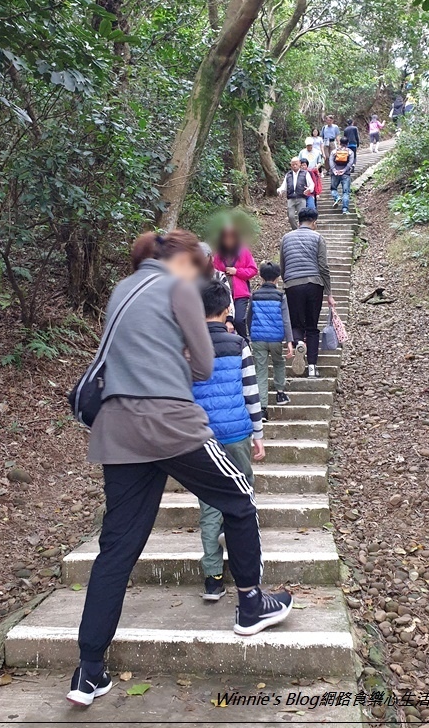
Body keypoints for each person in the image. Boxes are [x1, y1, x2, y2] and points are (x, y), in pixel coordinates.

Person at [68, 229, 293, 706]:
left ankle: (89, 670)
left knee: (117, 548)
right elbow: (205, 366)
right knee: (239, 499)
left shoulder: (123, 289)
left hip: (118, 430)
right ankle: (251, 603)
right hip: (170, 424)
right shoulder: (182, 288)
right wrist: (176, 364)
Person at [192, 280, 264, 601]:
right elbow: (251, 392)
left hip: (203, 440)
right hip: (236, 435)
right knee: (242, 501)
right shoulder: (239, 344)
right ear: (226, 310)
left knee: (209, 507)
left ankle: (213, 579)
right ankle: (245, 569)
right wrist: (258, 433)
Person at [280, 207, 335, 379]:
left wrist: (287, 281)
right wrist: (329, 292)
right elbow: (323, 267)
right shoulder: (318, 237)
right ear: (314, 221)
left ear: (299, 221)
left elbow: (283, 265)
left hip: (292, 285)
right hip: (313, 285)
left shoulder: (286, 238)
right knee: (312, 326)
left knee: (296, 324)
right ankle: (312, 368)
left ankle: (299, 343)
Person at [249, 261, 294, 422]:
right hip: (276, 338)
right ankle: (280, 393)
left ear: (260, 277)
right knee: (279, 363)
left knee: (260, 370)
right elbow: (286, 320)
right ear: (278, 278)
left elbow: (249, 317)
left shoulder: (254, 295)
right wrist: (289, 341)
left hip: (258, 339)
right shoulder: (280, 296)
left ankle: (262, 409)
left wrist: (250, 335)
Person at [213, 226, 258, 339]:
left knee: (238, 320)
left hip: (240, 293)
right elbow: (213, 270)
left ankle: (245, 342)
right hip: (223, 292)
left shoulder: (244, 252)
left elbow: (253, 270)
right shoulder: (218, 254)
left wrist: (237, 271)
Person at [200, 241, 235, 332]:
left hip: (218, 317)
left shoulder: (218, 276)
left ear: (210, 258)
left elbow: (228, 297)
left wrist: (229, 320)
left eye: (203, 258)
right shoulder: (189, 276)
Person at [277, 157, 314, 230]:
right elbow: (283, 186)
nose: (294, 166)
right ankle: (295, 229)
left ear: (299, 164)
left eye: (296, 164)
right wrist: (280, 190)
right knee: (291, 216)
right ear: (291, 165)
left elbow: (311, 184)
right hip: (291, 198)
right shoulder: (288, 175)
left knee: (301, 216)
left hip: (301, 198)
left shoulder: (305, 173)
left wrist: (309, 189)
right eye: (293, 164)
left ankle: (302, 230)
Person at [330, 137, 355, 215]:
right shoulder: (350, 152)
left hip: (335, 173)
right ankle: (345, 210)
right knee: (346, 192)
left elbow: (331, 161)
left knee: (333, 188)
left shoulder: (334, 151)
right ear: (348, 143)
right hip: (346, 174)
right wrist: (344, 170)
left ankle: (337, 197)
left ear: (339, 143)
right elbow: (350, 163)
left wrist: (334, 170)